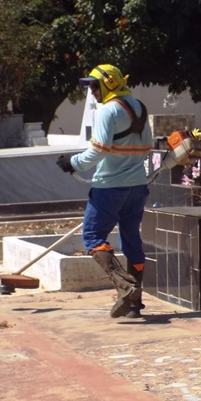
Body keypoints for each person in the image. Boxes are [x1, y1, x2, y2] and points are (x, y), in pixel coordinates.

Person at [56, 64, 153, 319]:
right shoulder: (139, 107)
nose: (92, 91)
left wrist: (72, 162)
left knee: (92, 237)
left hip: (110, 188)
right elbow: (147, 146)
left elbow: (98, 150)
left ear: (108, 84)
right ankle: (134, 304)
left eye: (94, 85)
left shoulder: (107, 111)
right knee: (131, 238)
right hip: (137, 186)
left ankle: (126, 286)